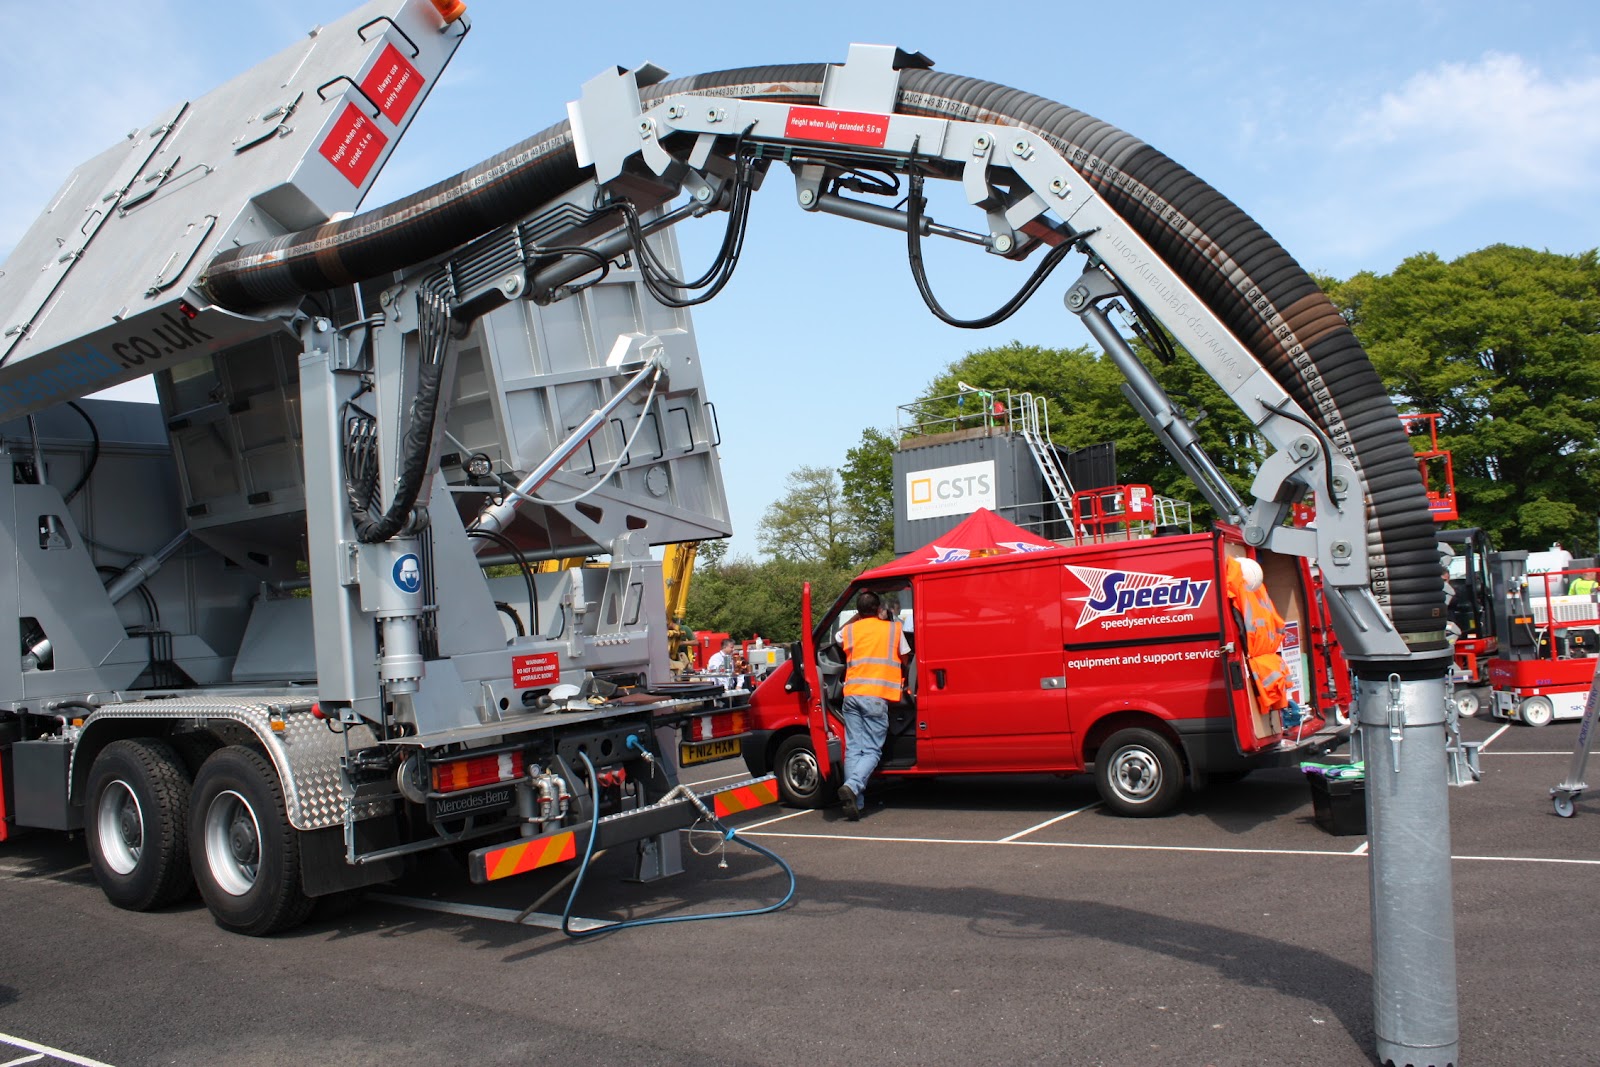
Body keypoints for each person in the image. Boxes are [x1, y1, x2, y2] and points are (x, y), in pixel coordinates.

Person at [835, 589, 907, 820]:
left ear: (857, 612)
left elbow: (836, 637)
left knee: (854, 749)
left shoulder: (849, 630)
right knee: (873, 750)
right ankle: (854, 786)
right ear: (879, 610)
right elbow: (905, 656)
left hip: (852, 694)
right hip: (877, 695)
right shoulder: (893, 629)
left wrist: (857, 617)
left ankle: (856, 802)